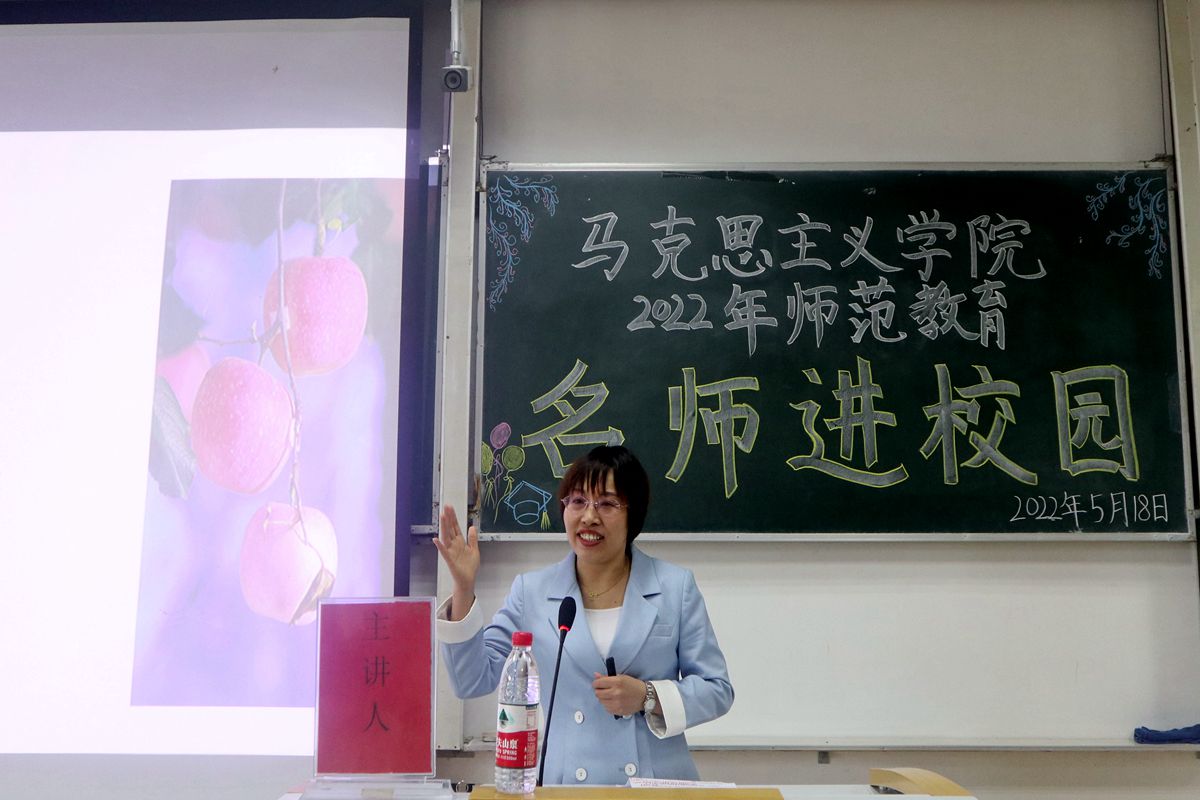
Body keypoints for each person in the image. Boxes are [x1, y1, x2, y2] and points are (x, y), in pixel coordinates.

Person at [434, 445, 733, 786]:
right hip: (568, 787)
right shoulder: (532, 592)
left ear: (633, 513)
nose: (589, 516)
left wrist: (647, 696)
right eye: (577, 501)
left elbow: (717, 689)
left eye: (607, 503)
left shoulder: (674, 587)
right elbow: (472, 679)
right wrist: (463, 587)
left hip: (653, 785)